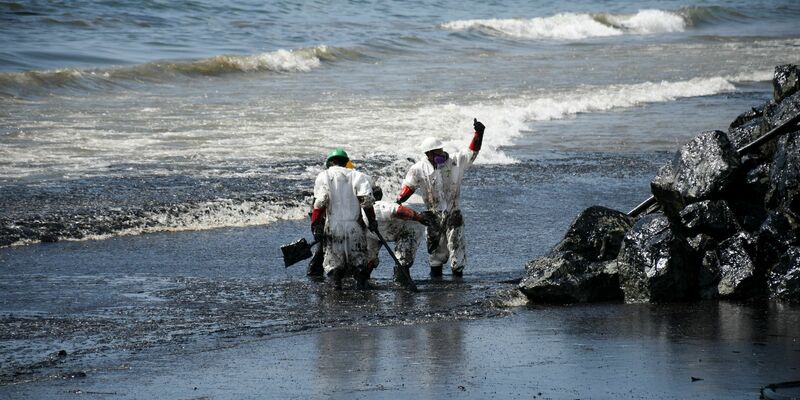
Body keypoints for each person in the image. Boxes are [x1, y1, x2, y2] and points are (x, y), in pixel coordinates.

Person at [395, 118, 485, 278]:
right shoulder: (418, 169)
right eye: (434, 152)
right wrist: (399, 200)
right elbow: (409, 186)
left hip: (454, 212)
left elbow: (472, 152)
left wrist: (479, 133)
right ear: (427, 154)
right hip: (433, 215)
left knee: (456, 247)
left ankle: (458, 281)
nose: (439, 154)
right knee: (435, 252)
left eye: (440, 150)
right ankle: (436, 283)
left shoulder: (456, 161)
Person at [311, 148, 378, 290]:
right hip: (355, 226)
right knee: (359, 260)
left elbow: (321, 202)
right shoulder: (358, 176)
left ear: (330, 162)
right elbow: (366, 201)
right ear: (346, 162)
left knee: (334, 262)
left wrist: (315, 223)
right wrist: (372, 220)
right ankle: (361, 287)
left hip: (333, 226)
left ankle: (336, 288)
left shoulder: (324, 176)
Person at [364, 186, 433, 286]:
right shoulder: (355, 213)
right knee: (368, 256)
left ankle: (401, 281)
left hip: (407, 227)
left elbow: (398, 210)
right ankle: (365, 278)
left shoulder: (379, 207)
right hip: (379, 231)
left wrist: (419, 217)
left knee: (403, 257)